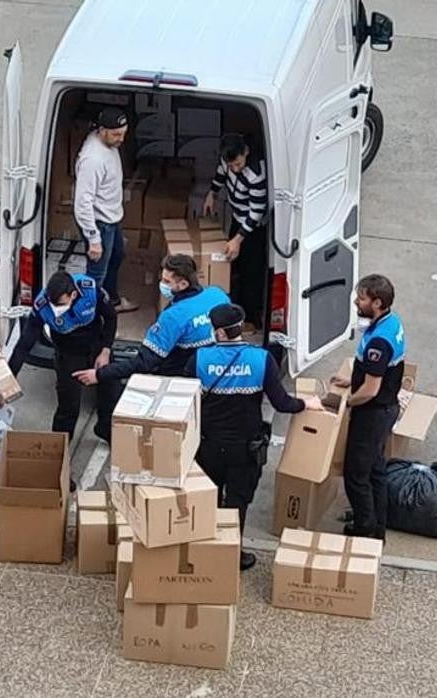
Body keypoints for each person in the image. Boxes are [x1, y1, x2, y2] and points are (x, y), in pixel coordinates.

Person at [186, 303, 321, 570]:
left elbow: (184, 398)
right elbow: (281, 403)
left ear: (220, 334)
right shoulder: (261, 359)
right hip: (245, 448)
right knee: (237, 501)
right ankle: (231, 554)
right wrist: (307, 404)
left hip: (208, 445)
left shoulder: (200, 358)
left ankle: (204, 547)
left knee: (207, 497)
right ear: (239, 329)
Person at [73, 254, 230, 440]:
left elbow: (144, 363)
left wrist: (100, 374)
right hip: (212, 378)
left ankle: (110, 431)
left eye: (166, 281)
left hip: (177, 381)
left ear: (183, 285)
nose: (161, 284)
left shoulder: (174, 317)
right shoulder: (217, 295)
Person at [8, 270, 117, 466]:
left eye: (59, 304)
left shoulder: (90, 290)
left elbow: (110, 317)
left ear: (73, 295)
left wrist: (106, 350)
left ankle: (105, 428)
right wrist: (9, 378)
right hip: (69, 354)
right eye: (52, 304)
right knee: (69, 406)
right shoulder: (42, 306)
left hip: (97, 346)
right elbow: (24, 343)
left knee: (110, 391)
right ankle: (58, 458)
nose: (55, 308)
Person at [332, 275, 406, 540]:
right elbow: (375, 373)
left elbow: (371, 390)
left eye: (362, 298)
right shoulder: (389, 323)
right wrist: (351, 380)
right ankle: (377, 525)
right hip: (384, 409)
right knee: (375, 469)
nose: (356, 301)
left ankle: (364, 529)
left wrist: (346, 401)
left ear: (378, 302)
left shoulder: (379, 341)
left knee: (356, 474)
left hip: (373, 413)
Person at [75, 106, 138, 314]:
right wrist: (93, 238)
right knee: (96, 274)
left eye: (123, 133)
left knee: (117, 255)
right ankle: (87, 316)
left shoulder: (108, 142)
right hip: (100, 223)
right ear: (102, 131)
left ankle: (112, 301)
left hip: (111, 219)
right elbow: (82, 202)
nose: (121, 139)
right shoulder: (93, 159)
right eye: (116, 134)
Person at [202, 133, 267, 330]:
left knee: (251, 274)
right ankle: (231, 311)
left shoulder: (257, 174)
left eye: (238, 164)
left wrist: (238, 239)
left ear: (245, 152)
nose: (235, 169)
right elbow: (220, 175)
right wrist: (212, 194)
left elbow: (256, 212)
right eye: (232, 166)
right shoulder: (226, 160)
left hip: (254, 228)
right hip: (237, 218)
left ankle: (251, 319)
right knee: (233, 267)